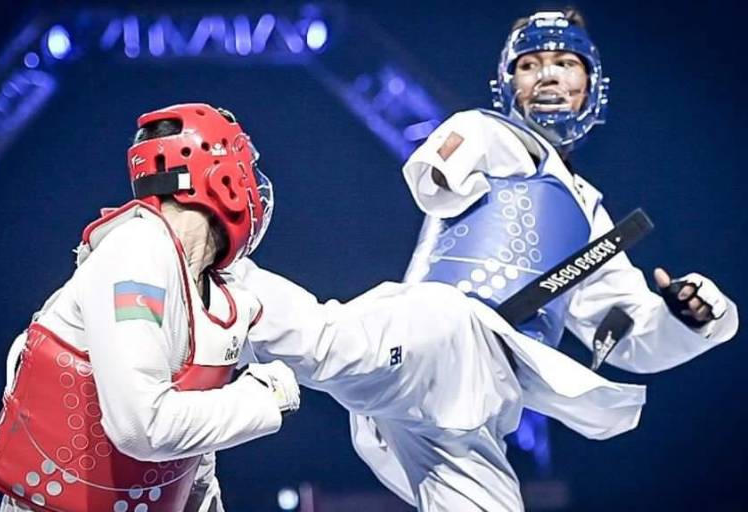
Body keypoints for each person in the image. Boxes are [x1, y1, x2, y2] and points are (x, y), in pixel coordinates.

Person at [230, 9, 739, 512]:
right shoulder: (494, 134)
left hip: (480, 396)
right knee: (326, 341)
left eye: (566, 62)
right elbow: (435, 177)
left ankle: (224, 300)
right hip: (439, 327)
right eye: (529, 64)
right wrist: (451, 168)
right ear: (508, 82)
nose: (548, 75)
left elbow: (627, 333)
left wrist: (688, 316)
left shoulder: (589, 214)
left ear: (591, 84)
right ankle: (217, 290)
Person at [0, 103, 300, 512]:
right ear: (221, 178)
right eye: (245, 170)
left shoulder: (209, 293)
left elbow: (191, 458)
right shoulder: (137, 252)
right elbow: (142, 428)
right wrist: (262, 398)